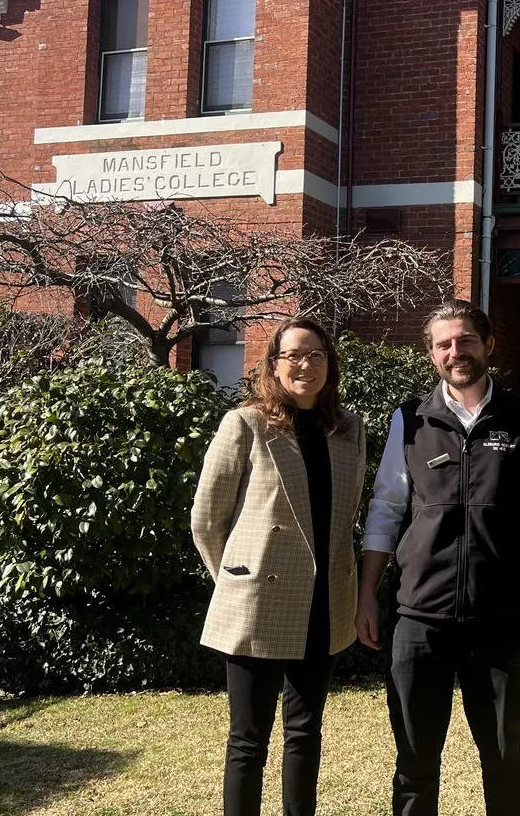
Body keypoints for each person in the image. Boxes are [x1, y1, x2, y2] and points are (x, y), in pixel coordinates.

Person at [357, 299, 520, 816]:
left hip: (499, 616)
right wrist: (367, 593)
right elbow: (385, 508)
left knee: (502, 757)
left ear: (488, 345)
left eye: (466, 340)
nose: (456, 352)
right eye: (444, 343)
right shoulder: (410, 420)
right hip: (420, 619)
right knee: (415, 760)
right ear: (430, 353)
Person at [191, 317, 366, 816]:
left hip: (325, 600)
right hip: (257, 601)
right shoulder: (245, 424)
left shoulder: (349, 429)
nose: (304, 365)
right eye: (292, 355)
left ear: (329, 364)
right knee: (248, 739)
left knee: (305, 732)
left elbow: (348, 511)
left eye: (315, 354)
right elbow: (207, 518)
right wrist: (232, 580)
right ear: (273, 364)